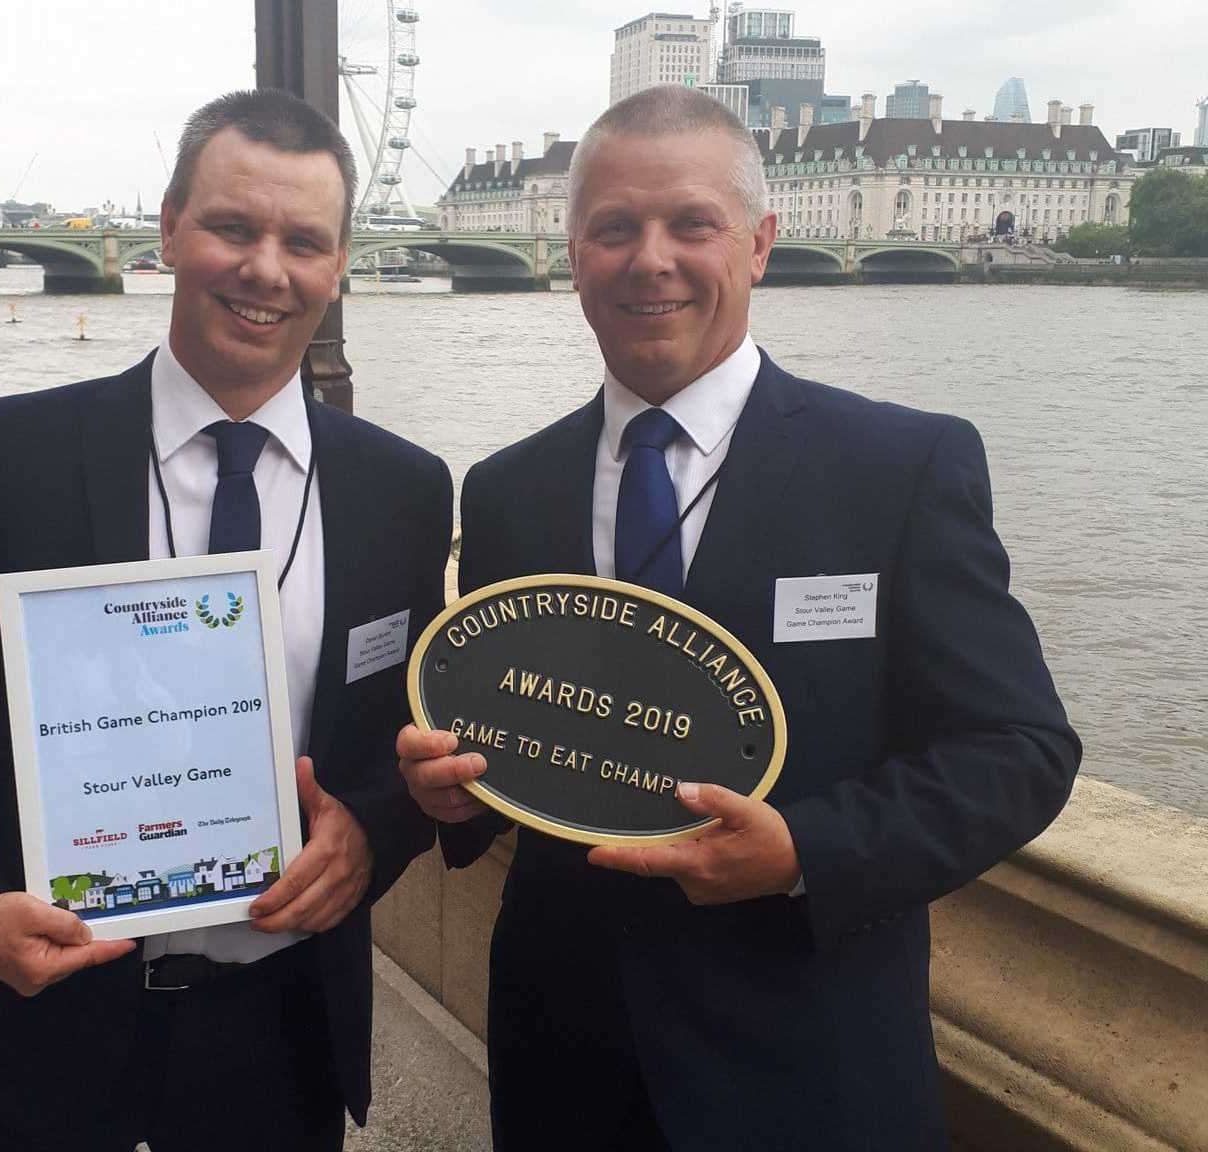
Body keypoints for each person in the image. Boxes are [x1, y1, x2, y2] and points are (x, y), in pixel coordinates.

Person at [398, 86, 1080, 1152]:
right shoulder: (505, 491)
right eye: (615, 228)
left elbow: (1021, 751)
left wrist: (805, 847)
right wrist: (454, 799)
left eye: (691, 224)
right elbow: (521, 748)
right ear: (572, 256)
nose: (650, 259)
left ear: (759, 245)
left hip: (808, 1065)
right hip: (566, 1059)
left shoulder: (900, 468)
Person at [0, 88, 451, 1152]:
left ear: (341, 261)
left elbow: (408, 741)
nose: (267, 269)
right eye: (233, 225)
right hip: (40, 1019)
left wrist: (374, 833)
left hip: (281, 1041)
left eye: (303, 240)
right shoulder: (17, 455)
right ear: (170, 227)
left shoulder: (402, 491)